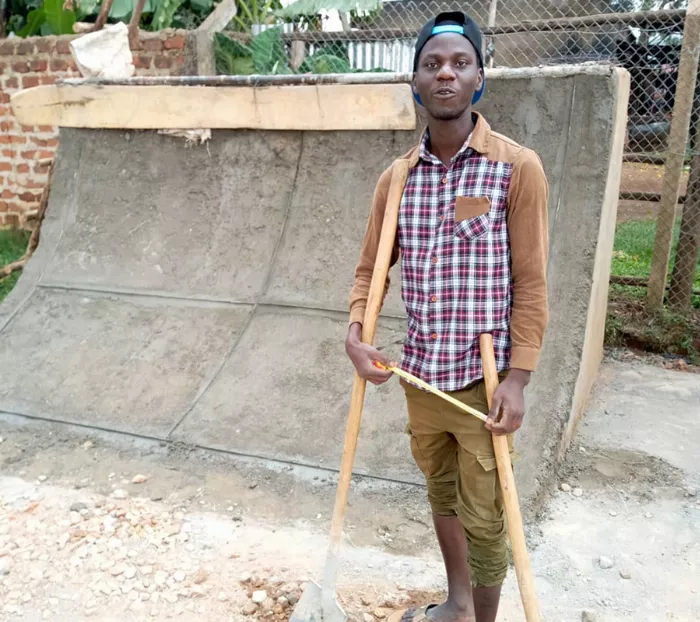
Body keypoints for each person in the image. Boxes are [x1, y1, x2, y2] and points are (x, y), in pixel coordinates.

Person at [345, 11, 549, 622]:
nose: (445, 74)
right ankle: (458, 606)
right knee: (441, 493)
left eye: (460, 63)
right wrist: (357, 333)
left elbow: (532, 282)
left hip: (483, 381)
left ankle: (481, 620)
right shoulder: (397, 180)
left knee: (487, 512)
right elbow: (370, 272)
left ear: (479, 79)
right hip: (420, 373)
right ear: (415, 80)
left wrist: (519, 376)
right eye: (432, 64)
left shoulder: (516, 169)